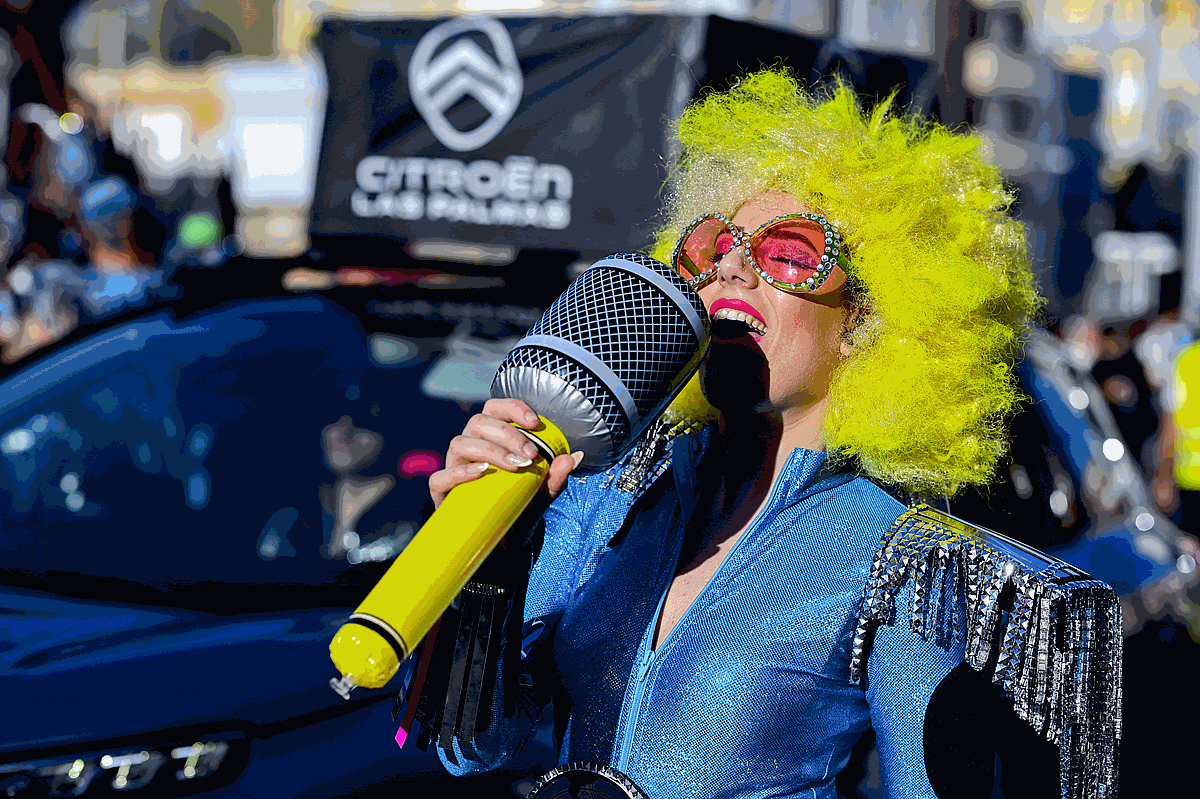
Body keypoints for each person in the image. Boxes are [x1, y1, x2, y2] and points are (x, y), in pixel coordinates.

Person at [406, 72, 1111, 799]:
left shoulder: (906, 565)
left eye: (790, 254)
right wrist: (491, 559)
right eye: (714, 247)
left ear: (867, 325)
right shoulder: (613, 494)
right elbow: (469, 749)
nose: (732, 267)